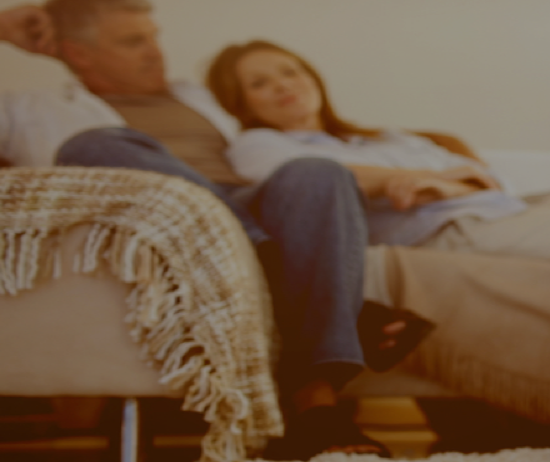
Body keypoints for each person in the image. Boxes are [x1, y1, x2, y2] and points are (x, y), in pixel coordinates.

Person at [0, 1, 422, 458]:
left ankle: (312, 394)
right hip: (162, 226)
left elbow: (287, 128)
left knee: (318, 172)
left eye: (153, 36)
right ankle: (287, 288)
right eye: (133, 41)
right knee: (94, 145)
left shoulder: (200, 96)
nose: (155, 51)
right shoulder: (30, 109)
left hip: (250, 211)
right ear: (78, 53)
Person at [205, 40, 550, 362]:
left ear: (312, 76)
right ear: (240, 103)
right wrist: (426, 181)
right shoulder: (258, 145)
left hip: (514, 208)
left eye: (289, 70)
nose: (283, 85)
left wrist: (442, 182)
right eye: (260, 83)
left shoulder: (385, 138)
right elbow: (308, 183)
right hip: (457, 231)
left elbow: (484, 180)